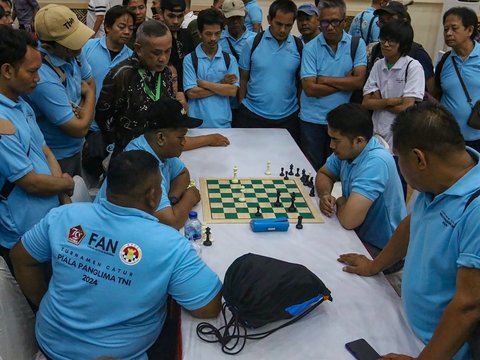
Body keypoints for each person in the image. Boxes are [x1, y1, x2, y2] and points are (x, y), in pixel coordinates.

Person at [10, 149, 222, 359]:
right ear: (152, 195)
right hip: (124, 354)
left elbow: (20, 257)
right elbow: (208, 308)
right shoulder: (170, 244)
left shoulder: (62, 216)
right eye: (160, 186)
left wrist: (45, 303)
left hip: (51, 344)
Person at [338, 102, 480, 360]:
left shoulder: (476, 208)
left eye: (399, 159)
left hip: (440, 350)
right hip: (407, 326)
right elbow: (413, 223)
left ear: (418, 159)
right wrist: (374, 265)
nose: (399, 168)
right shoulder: (438, 181)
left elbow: (469, 306)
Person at [96, 20, 230, 157]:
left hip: (161, 153)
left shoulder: (166, 73)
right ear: (139, 49)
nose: (163, 58)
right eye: (156, 53)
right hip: (130, 159)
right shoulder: (121, 75)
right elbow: (103, 119)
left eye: (168, 51)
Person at [0, 27, 74, 257]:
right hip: (21, 234)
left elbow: (45, 151)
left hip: (47, 219)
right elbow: (29, 182)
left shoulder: (21, 105)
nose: (38, 78)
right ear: (7, 70)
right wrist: (65, 184)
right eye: (32, 72)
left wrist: (61, 195)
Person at [96, 98, 202, 229]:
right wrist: (190, 196)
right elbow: (171, 222)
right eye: (180, 137)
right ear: (161, 138)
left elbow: (182, 173)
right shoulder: (139, 165)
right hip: (110, 233)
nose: (184, 142)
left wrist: (172, 199)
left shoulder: (157, 148)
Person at [316, 103, 405, 257]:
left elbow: (348, 220)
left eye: (336, 140)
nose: (331, 145)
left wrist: (340, 201)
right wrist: (325, 194)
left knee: (322, 257)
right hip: (359, 234)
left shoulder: (376, 162)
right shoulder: (347, 152)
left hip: (383, 250)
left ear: (359, 141)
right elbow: (324, 173)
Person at [23, 4, 96, 176]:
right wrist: (90, 96)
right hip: (57, 156)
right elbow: (78, 129)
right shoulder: (42, 78)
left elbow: (90, 82)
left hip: (76, 148)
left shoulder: (73, 52)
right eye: (70, 43)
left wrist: (83, 108)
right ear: (48, 46)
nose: (79, 46)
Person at [300, 0, 367, 171]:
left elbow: (359, 82)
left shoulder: (356, 45)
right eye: (324, 22)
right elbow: (309, 89)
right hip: (312, 120)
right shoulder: (310, 48)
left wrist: (323, 79)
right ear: (319, 22)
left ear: (344, 21)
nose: (330, 27)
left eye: (335, 21)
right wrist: (346, 82)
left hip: (341, 122)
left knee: (337, 172)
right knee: (310, 171)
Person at [82, 6, 135, 181]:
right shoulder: (87, 48)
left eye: (130, 28)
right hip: (86, 126)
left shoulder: (133, 59)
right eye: (122, 26)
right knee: (86, 177)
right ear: (107, 27)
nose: (127, 32)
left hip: (115, 130)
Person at [237, 0, 302, 143]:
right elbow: (243, 78)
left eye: (288, 25)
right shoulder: (252, 44)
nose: (283, 30)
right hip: (252, 116)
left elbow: (300, 82)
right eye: (279, 24)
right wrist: (242, 103)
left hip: (288, 118)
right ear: (269, 20)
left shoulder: (298, 46)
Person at [362, 19, 424, 150]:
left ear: (403, 44)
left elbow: (407, 108)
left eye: (392, 41)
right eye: (383, 39)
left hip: (399, 134)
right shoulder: (378, 65)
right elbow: (366, 103)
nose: (386, 44)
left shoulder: (413, 67)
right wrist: (390, 101)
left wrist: (379, 102)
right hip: (376, 130)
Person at [433, 7, 480, 152]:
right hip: (447, 137)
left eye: (454, 28)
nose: (448, 33)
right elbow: (437, 93)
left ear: (470, 30)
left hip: (477, 138)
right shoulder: (445, 60)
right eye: (446, 29)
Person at [183, 8, 239, 128]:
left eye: (217, 33)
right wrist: (222, 84)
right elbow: (192, 93)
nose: (213, 38)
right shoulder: (190, 59)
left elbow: (232, 91)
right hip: (197, 125)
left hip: (223, 124)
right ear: (199, 33)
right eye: (208, 33)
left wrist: (205, 84)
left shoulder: (229, 59)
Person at [369, 1, 434, 95]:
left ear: (403, 21)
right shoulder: (377, 49)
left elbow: (431, 90)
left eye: (389, 20)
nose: (385, 25)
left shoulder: (417, 53)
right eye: (382, 21)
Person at [160, 0, 195, 96]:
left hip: (187, 92)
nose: (176, 21)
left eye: (180, 16)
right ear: (162, 14)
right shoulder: (155, 37)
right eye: (171, 16)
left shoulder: (186, 34)